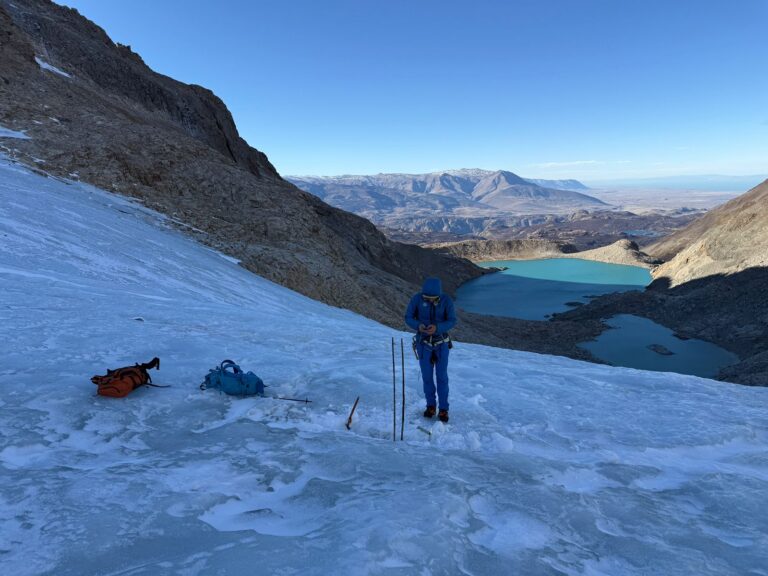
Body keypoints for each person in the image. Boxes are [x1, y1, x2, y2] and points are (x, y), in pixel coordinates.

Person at [404, 277, 457, 423]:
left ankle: (444, 409)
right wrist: (419, 325)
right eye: (426, 298)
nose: (429, 300)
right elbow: (408, 317)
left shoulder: (446, 301)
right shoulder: (417, 299)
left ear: (439, 295)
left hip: (441, 344)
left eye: (433, 298)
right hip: (423, 344)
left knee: (442, 378)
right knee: (427, 378)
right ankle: (431, 406)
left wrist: (438, 328)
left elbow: (452, 320)